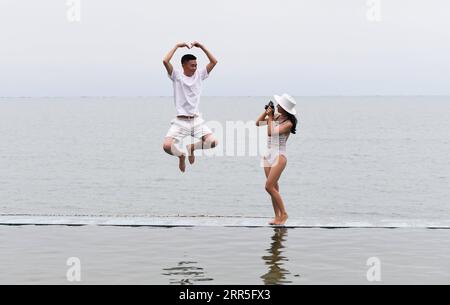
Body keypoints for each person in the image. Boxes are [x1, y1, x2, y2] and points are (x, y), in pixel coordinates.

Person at [162, 42, 219, 172]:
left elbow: (214, 61)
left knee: (213, 142)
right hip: (181, 121)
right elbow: (165, 61)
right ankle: (181, 155)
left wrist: (202, 47)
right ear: (184, 65)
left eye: (196, 65)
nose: (194, 68)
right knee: (166, 146)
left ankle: (191, 147)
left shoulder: (200, 75)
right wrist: (176, 46)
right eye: (192, 65)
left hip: (196, 120)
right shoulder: (176, 76)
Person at [256, 94, 298, 225]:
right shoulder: (276, 117)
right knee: (274, 187)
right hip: (267, 154)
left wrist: (270, 117)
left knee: (268, 186)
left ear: (285, 109)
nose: (277, 105)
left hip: (279, 156)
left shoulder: (288, 124)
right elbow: (258, 123)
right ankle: (277, 217)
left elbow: (270, 132)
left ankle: (284, 214)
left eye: (279, 104)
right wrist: (267, 112)